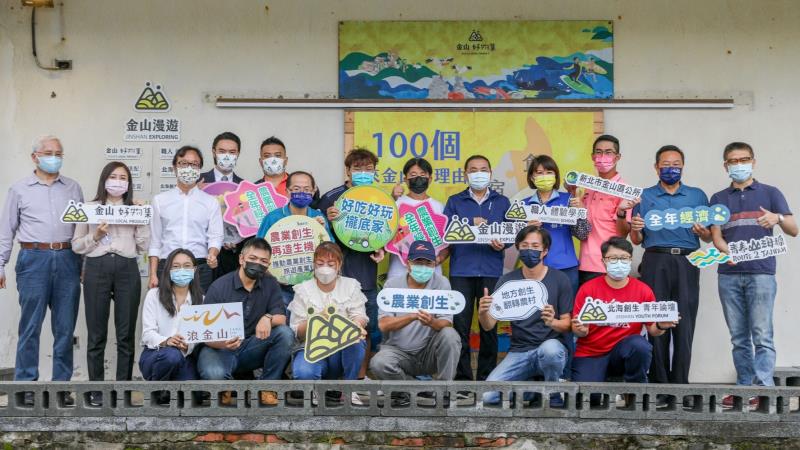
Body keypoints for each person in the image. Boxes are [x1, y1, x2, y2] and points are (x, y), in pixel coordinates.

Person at [710, 142, 797, 408]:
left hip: (762, 274)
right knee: (738, 336)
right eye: (733, 161)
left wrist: (777, 219)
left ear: (753, 162)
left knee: (761, 333)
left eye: (743, 159)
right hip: (729, 274)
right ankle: (744, 388)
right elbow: (716, 237)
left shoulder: (771, 193)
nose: (739, 164)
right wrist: (732, 252)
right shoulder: (718, 199)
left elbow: (794, 229)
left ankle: (764, 389)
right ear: (726, 166)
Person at [0, 135, 83, 406]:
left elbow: (81, 229)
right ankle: (25, 388)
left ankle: (62, 387)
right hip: (33, 257)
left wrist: (82, 264)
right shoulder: (19, 189)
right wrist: (1, 263)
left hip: (68, 257)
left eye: (58, 153)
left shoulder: (73, 188)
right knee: (30, 325)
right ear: (34, 156)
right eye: (48, 152)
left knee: (64, 327)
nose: (54, 157)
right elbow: (6, 231)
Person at [630, 145, 710, 386]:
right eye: (666, 164)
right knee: (656, 319)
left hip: (688, 260)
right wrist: (634, 230)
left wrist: (704, 232)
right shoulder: (643, 196)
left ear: (683, 167)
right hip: (655, 260)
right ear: (656, 167)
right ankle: (659, 385)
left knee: (684, 322)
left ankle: (680, 384)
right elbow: (636, 239)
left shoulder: (697, 196)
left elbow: (707, 237)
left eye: (676, 164)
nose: (671, 169)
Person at [72, 162, 149, 403]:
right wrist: (95, 236)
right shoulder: (89, 208)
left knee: (125, 334)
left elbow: (144, 246)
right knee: (96, 334)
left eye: (123, 177)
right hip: (96, 268)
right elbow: (76, 245)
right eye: (113, 176)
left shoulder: (136, 209)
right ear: (104, 180)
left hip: (127, 268)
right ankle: (96, 391)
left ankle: (123, 390)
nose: (118, 181)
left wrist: (142, 218)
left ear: (129, 183)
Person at [479, 226, 573, 406]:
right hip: (519, 352)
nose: (529, 250)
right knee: (488, 396)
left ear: (545, 251)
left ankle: (551, 393)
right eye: (524, 245)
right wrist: (483, 312)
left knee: (551, 351)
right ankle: (531, 391)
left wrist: (552, 321)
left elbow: (567, 325)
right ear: (518, 247)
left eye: (535, 246)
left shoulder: (560, 279)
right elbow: (489, 325)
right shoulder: (507, 281)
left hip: (549, 348)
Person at [571, 237, 678, 393]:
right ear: (603, 261)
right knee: (587, 398)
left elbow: (653, 330)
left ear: (630, 260)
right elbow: (577, 329)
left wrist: (662, 325)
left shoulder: (643, 290)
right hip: (592, 353)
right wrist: (580, 329)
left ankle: (633, 391)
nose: (619, 263)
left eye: (624, 258)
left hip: (624, 351)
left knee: (640, 346)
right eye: (613, 258)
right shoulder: (588, 289)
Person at [196, 238, 294, 406]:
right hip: (219, 348)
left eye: (263, 261)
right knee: (214, 374)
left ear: (268, 264)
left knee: (285, 333)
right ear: (242, 259)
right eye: (253, 258)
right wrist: (223, 343)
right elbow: (204, 334)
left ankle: (267, 387)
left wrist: (268, 318)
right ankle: (224, 387)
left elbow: (281, 317)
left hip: (251, 347)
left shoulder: (270, 284)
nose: (258, 264)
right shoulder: (219, 286)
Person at [440, 154, 511, 381]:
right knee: (460, 327)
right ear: (466, 174)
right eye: (473, 169)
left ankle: (486, 378)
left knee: (489, 326)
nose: (478, 173)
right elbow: (444, 231)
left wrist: (503, 242)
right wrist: (470, 224)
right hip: (462, 270)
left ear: (490, 173)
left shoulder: (502, 202)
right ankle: (462, 379)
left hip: (491, 270)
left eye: (483, 169)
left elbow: (511, 233)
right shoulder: (455, 201)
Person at [316, 148, 385, 377]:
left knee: (362, 329)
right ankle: (330, 379)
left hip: (366, 276)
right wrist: (327, 219)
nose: (363, 173)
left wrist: (381, 248)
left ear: (375, 172)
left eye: (368, 169)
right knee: (330, 326)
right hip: (334, 278)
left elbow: (387, 232)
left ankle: (360, 377)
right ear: (348, 171)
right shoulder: (331, 197)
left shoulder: (380, 198)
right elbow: (316, 235)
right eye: (358, 168)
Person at [369, 240, 461, 404]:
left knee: (450, 335)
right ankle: (416, 389)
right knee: (378, 363)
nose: (423, 267)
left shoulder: (442, 283)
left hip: (428, 353)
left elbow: (446, 323)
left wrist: (431, 322)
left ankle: (443, 390)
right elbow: (384, 324)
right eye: (418, 262)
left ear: (434, 264)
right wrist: (411, 316)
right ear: (408, 263)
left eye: (428, 263)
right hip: (398, 352)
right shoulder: (392, 285)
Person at [289, 242, 368, 398]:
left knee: (356, 341)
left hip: (341, 349)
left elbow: (359, 315)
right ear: (314, 265)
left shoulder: (350, 285)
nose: (325, 268)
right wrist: (316, 320)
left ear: (339, 265)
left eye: (331, 264)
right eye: (320, 263)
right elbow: (297, 331)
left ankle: (348, 388)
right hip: (311, 348)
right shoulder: (303, 289)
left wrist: (357, 325)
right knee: (304, 372)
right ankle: (315, 391)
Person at [148, 145, 223, 293]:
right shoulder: (159, 200)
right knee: (167, 311)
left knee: (199, 313)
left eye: (194, 164)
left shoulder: (210, 202)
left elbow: (216, 236)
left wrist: (213, 254)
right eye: (183, 163)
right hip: (167, 266)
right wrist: (152, 274)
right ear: (174, 168)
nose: (189, 168)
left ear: (199, 169)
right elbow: (155, 241)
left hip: (200, 267)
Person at [256, 171, 334, 310]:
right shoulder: (273, 218)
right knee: (284, 327)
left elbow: (332, 252)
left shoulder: (318, 217)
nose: (302, 193)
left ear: (314, 191)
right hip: (280, 286)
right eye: (296, 189)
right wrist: (271, 274)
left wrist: (321, 232)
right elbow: (258, 250)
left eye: (307, 189)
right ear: (287, 191)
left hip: (313, 286)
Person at [139, 249, 202, 400]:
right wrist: (167, 341)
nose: (182, 270)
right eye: (176, 266)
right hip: (156, 355)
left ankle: (168, 390)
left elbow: (200, 337)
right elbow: (147, 333)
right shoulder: (154, 295)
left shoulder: (201, 301)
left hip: (184, 356)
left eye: (187, 266)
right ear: (168, 270)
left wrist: (188, 346)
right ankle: (156, 390)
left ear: (194, 270)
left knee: (195, 396)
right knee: (171, 355)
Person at [524, 155, 591, 295]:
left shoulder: (569, 200)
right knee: (538, 312)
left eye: (549, 172)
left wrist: (581, 211)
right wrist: (526, 229)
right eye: (539, 173)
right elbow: (516, 241)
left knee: (567, 311)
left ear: (555, 176)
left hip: (565, 266)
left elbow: (582, 233)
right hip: (534, 266)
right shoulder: (524, 205)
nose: (544, 176)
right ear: (532, 177)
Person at [574, 135, 633, 285]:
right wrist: (571, 192)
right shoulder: (587, 187)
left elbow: (622, 234)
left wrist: (620, 211)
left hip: (609, 265)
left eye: (608, 152)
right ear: (593, 157)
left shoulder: (625, 190)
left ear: (617, 157)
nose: (602, 157)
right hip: (585, 263)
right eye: (598, 152)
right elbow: (581, 228)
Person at [386, 157, 447, 280]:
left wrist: (439, 259)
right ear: (406, 179)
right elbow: (381, 232)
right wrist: (391, 198)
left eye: (422, 174)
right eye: (413, 175)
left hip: (431, 272)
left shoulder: (440, 207)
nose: (418, 178)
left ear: (430, 179)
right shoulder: (395, 203)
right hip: (399, 271)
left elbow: (448, 243)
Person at [199, 132, 245, 280]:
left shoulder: (244, 186)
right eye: (222, 151)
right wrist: (195, 193)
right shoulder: (198, 182)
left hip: (231, 257)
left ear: (238, 154)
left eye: (232, 152)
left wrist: (238, 241)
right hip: (202, 254)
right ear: (214, 152)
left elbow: (249, 223)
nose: (227, 156)